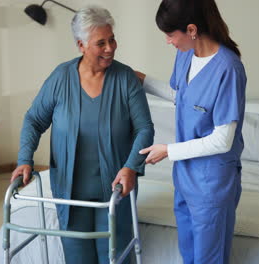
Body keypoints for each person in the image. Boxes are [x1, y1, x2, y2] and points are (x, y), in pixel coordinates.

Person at [10, 5, 154, 264]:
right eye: (101, 43)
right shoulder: (61, 78)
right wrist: (24, 159)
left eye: (112, 39)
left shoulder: (126, 79)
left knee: (116, 256)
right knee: (77, 258)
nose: (110, 47)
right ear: (81, 45)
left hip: (115, 190)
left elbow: (145, 128)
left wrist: (132, 167)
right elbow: (33, 120)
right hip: (70, 192)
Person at [136, 0, 246, 263]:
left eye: (170, 35)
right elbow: (182, 96)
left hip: (211, 182)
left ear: (192, 29)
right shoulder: (186, 54)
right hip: (184, 176)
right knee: (188, 252)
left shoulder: (228, 69)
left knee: (208, 257)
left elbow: (223, 139)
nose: (168, 41)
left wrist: (168, 151)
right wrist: (142, 80)